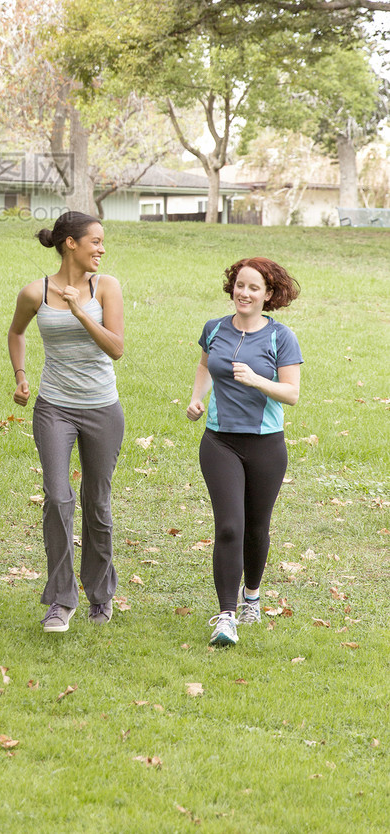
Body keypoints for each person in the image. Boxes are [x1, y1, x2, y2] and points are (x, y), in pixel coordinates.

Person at [8, 211, 125, 632]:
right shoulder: (34, 292)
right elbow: (16, 333)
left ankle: (101, 593)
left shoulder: (105, 287)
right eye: (95, 241)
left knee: (97, 502)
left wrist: (81, 312)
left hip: (102, 409)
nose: (102, 248)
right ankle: (60, 599)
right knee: (58, 497)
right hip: (54, 406)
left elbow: (116, 348)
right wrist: (21, 377)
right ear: (70, 243)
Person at [186, 257, 302, 647]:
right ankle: (226, 615)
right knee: (230, 526)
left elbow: (292, 393)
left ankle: (251, 596)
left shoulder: (280, 337)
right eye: (240, 285)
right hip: (220, 441)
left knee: (256, 527)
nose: (244, 293)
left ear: (268, 294)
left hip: (267, 444)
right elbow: (205, 366)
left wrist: (256, 380)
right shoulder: (214, 329)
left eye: (254, 287)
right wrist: (197, 399)